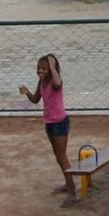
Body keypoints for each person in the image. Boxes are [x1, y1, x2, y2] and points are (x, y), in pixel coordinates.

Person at [19, 54, 77, 202]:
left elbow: (58, 83)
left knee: (62, 157)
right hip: (49, 122)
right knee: (58, 156)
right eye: (39, 68)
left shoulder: (55, 82)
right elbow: (36, 99)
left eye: (44, 68)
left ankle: (73, 193)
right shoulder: (42, 82)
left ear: (52, 69)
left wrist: (52, 65)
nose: (40, 71)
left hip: (60, 122)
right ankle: (67, 184)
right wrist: (27, 93)